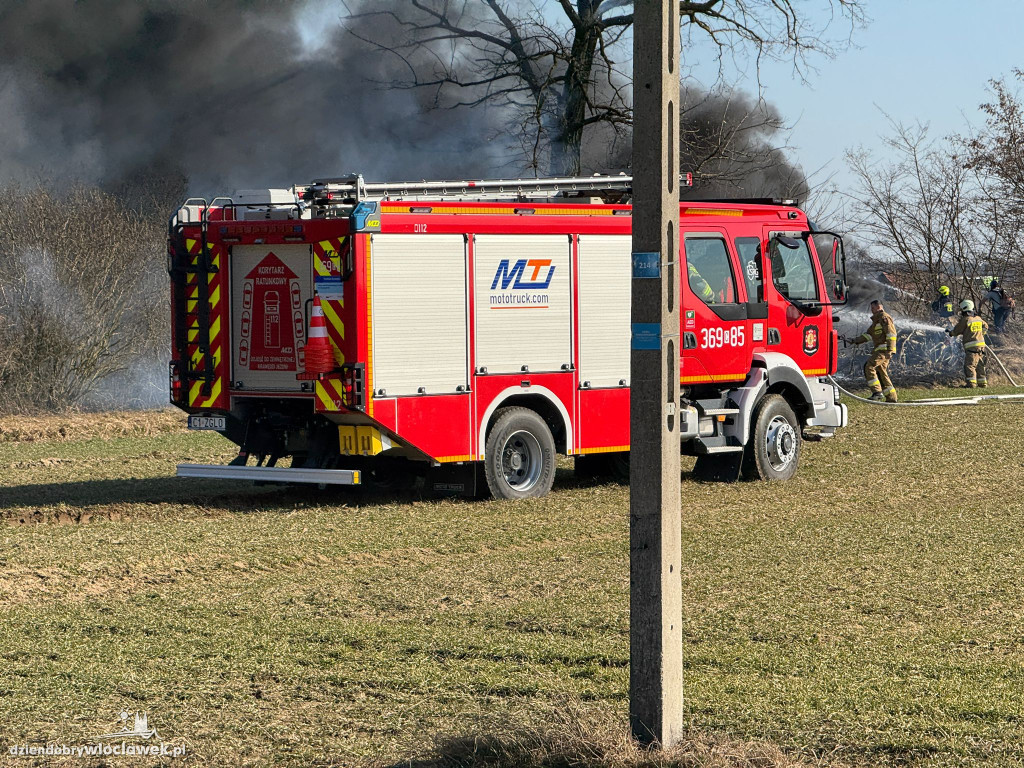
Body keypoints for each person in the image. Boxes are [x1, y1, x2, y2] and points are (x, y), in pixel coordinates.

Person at [847, 299, 898, 402]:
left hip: (884, 350)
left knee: (869, 366)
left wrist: (889, 350)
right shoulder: (876, 322)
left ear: (879, 307)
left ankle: (877, 392)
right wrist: (854, 340)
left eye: (873, 308)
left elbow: (891, 334)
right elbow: (868, 335)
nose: (871, 310)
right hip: (881, 350)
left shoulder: (884, 318)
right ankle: (892, 397)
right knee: (881, 372)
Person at [948, 299, 988, 387]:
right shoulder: (978, 318)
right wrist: (981, 334)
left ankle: (971, 383)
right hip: (981, 346)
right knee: (980, 365)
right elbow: (985, 326)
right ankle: (983, 383)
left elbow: (956, 331)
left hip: (971, 347)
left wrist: (951, 333)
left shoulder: (966, 320)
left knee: (970, 365)